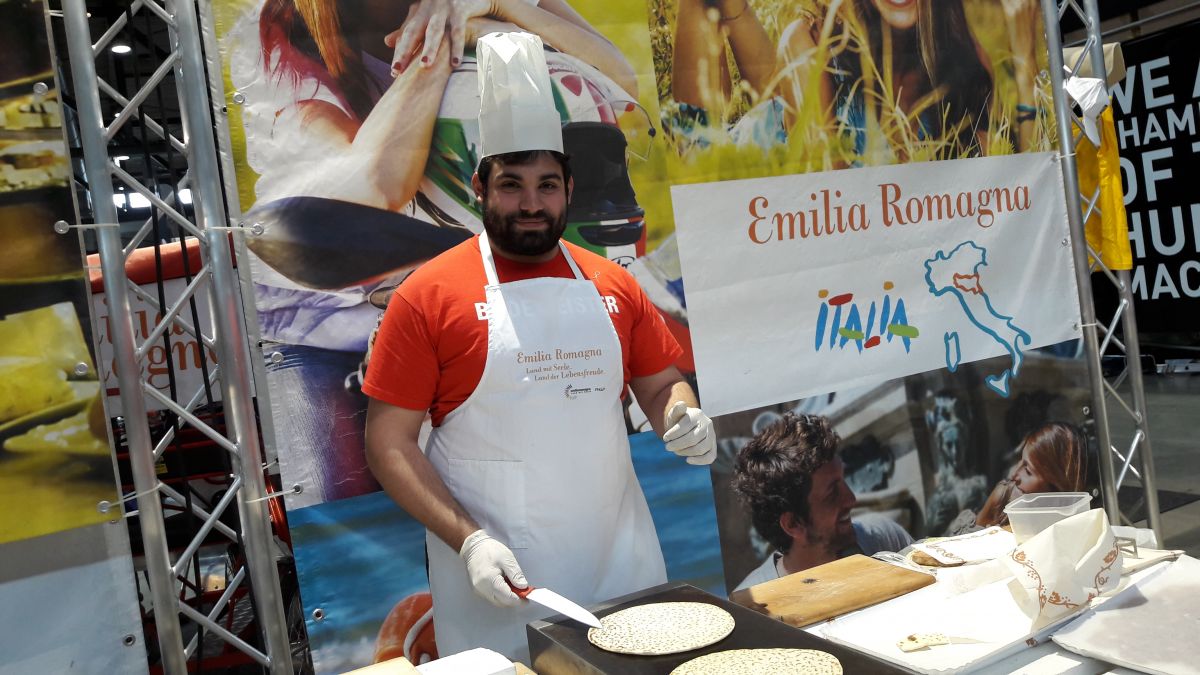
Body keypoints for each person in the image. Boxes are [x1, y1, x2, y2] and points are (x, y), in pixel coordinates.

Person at [361, 32, 717, 661]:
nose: (531, 204)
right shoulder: (426, 297)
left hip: (622, 561)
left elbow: (661, 384)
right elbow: (388, 444)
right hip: (502, 583)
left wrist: (682, 416)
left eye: (547, 185)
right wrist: (469, 542)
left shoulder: (613, 284)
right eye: (511, 185)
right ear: (479, 186)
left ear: (569, 188)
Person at [227, 0, 643, 505]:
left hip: (460, 298)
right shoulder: (275, 32)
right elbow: (377, 183)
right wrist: (441, 43)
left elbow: (619, 81)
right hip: (325, 318)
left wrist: (489, 13)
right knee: (348, 516)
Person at [669, 0, 1044, 161]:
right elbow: (830, 209)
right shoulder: (807, 45)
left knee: (782, 103)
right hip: (729, 159)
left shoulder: (962, 61)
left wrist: (1027, 65)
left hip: (789, 124)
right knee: (695, 145)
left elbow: (1025, 189)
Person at [730, 412, 912, 592]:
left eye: (843, 480)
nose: (851, 499)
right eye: (833, 492)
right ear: (793, 524)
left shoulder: (884, 541)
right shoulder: (754, 606)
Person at [970, 422, 1089, 530]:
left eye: (1027, 471)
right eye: (1020, 460)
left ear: (1055, 485)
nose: (1013, 475)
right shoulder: (1003, 497)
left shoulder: (1077, 524)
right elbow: (970, 538)